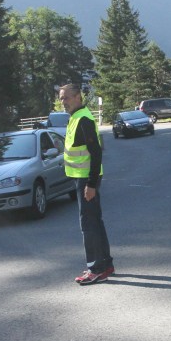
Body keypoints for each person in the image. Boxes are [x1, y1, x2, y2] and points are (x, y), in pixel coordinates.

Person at [58, 83, 114, 285]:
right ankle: (105, 265)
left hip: (86, 180)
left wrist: (90, 184)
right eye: (61, 98)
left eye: (66, 98)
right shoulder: (75, 118)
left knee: (89, 225)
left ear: (77, 97)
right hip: (82, 178)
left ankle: (96, 269)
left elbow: (96, 152)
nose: (62, 102)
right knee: (95, 222)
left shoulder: (83, 119)